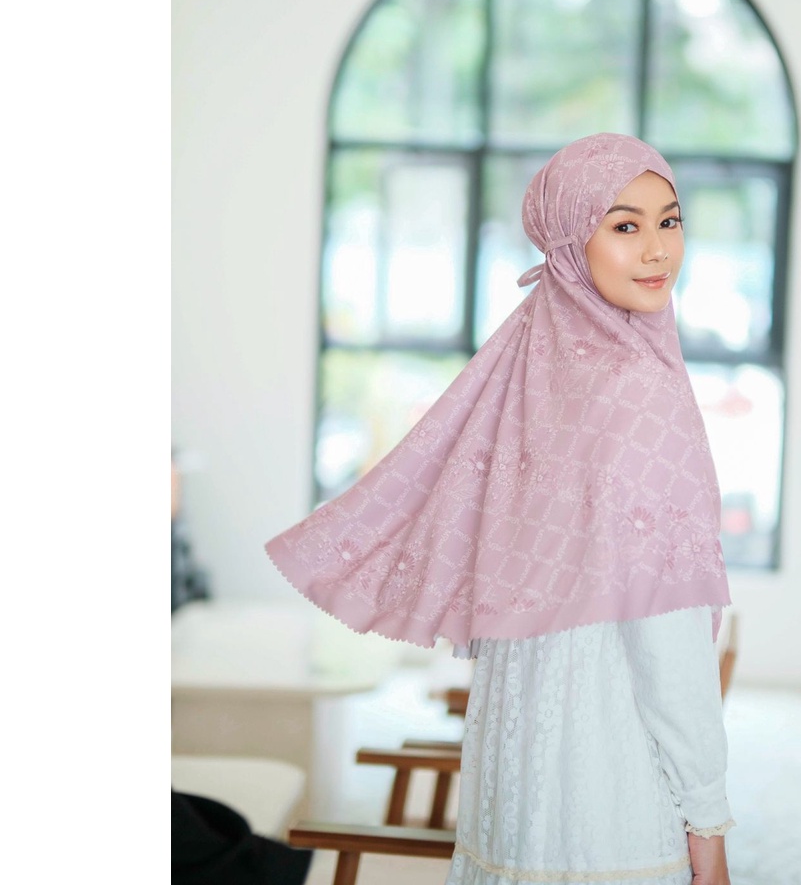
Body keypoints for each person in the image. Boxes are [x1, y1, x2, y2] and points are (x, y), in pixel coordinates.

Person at [266, 133, 734, 885]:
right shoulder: (639, 394)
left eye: (670, 221)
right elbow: (666, 633)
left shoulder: (535, 366)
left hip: (512, 778)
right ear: (569, 244)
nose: (657, 250)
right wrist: (707, 820)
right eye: (624, 225)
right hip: (607, 786)